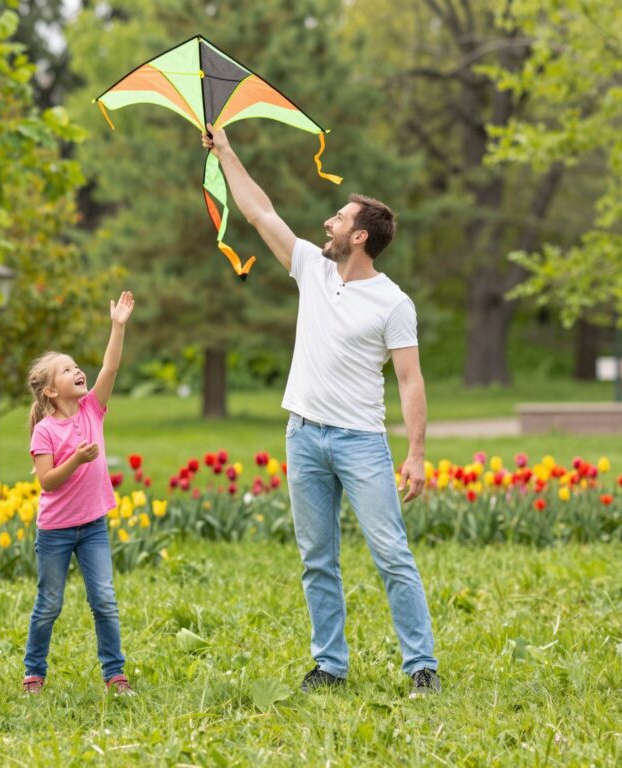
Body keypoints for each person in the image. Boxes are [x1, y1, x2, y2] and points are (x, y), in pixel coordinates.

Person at [203, 125, 441, 697]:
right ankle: (330, 666)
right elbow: (259, 213)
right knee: (317, 558)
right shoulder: (312, 268)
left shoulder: (393, 302)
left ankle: (421, 667)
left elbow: (410, 380)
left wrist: (415, 453)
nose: (326, 224)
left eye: (337, 218)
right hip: (303, 436)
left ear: (359, 235)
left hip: (361, 441)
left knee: (391, 555)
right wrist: (227, 152)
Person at [22, 292, 136, 696]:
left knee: (104, 600)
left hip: (92, 527)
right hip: (55, 531)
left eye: (75, 366)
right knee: (49, 604)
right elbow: (48, 481)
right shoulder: (45, 430)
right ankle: (34, 672)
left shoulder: (92, 410)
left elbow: (111, 365)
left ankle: (115, 674)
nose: (77, 371)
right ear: (51, 391)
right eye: (66, 370)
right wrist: (77, 459)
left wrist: (118, 325)